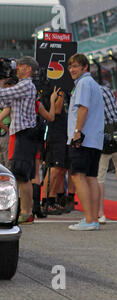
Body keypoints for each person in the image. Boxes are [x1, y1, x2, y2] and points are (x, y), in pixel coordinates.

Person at [0, 56, 40, 224]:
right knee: (21, 174)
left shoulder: (26, 84)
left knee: (22, 174)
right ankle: (26, 211)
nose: (17, 68)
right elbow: (4, 102)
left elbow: (2, 94)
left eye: (21, 66)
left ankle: (26, 212)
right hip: (23, 133)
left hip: (25, 133)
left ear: (29, 69)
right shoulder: (23, 85)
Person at [66, 53, 104, 231]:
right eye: (70, 66)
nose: (71, 70)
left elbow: (83, 108)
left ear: (84, 67)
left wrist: (76, 133)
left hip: (83, 138)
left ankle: (89, 219)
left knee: (78, 176)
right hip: (94, 139)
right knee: (91, 178)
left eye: (75, 66)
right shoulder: (94, 85)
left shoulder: (83, 83)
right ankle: (93, 219)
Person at [97, 85, 117, 224]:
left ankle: (100, 213)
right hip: (115, 132)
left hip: (104, 137)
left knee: (100, 177)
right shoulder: (107, 90)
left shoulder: (92, 93)